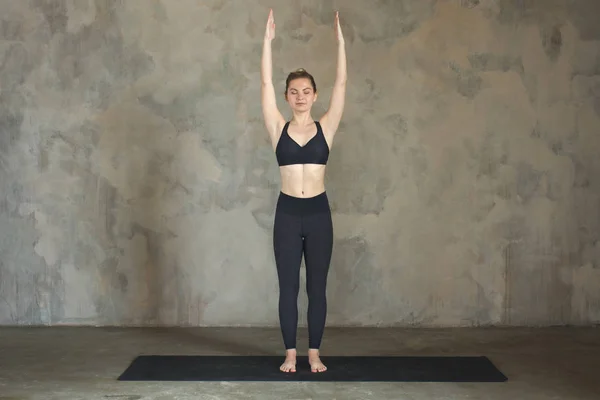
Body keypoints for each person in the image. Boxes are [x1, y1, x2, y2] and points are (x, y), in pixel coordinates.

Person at [260, 8, 347, 373]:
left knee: (317, 287)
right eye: (293, 92)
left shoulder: (326, 128)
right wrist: (266, 42)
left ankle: (313, 351)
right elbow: (263, 85)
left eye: (306, 91)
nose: (300, 96)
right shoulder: (277, 126)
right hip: (287, 214)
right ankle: (290, 353)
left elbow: (342, 86)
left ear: (314, 96)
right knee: (287, 288)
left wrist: (341, 42)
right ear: (286, 96)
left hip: (317, 214)